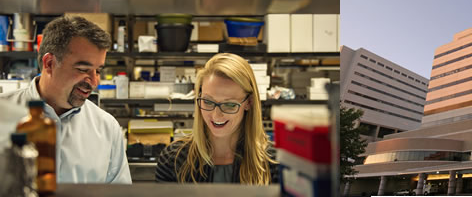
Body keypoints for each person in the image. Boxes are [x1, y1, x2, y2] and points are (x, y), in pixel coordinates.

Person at [0, 16, 131, 184]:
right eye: (83, 69)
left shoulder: (107, 127)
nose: (93, 81)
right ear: (49, 63)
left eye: (98, 71)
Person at [155, 53, 278, 184]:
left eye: (229, 104)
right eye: (208, 102)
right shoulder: (173, 158)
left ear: (249, 103)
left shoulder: (274, 163)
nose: (216, 115)